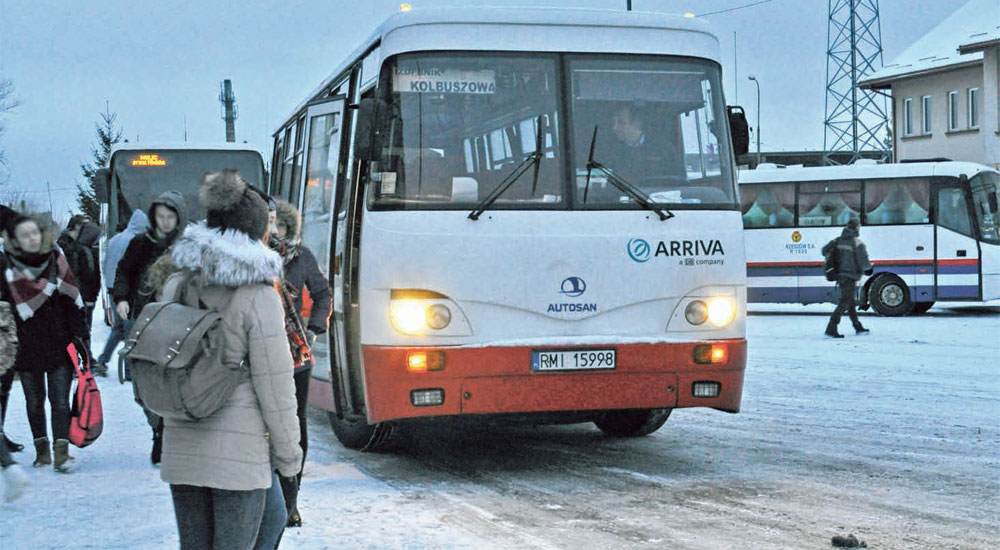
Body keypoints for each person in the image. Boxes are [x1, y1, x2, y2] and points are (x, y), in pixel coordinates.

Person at [157, 170, 301, 550]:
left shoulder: (178, 283)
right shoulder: (258, 295)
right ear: (256, 232)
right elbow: (276, 385)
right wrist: (290, 456)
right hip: (239, 459)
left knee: (258, 523)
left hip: (183, 444)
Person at [0, 213, 89, 472]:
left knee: (59, 400)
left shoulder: (57, 261)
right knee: (34, 402)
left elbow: (73, 302)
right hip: (26, 346)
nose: (31, 238)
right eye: (25, 234)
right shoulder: (7, 268)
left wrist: (79, 337)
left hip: (59, 343)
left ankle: (61, 452)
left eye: (35, 233)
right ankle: (42, 452)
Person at [112, 191, 187, 464]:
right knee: (143, 380)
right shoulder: (140, 244)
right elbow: (123, 272)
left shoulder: (186, 247)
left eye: (170, 217)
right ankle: (157, 428)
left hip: (178, 321)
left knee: (174, 378)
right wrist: (121, 298)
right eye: (161, 216)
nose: (165, 222)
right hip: (143, 317)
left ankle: (171, 433)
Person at [271, 199, 332, 529]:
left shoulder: (302, 257)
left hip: (296, 353)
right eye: (272, 225)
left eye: (282, 226)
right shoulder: (256, 257)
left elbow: (323, 294)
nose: (276, 231)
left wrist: (314, 329)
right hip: (263, 350)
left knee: (296, 424)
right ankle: (272, 498)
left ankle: (291, 500)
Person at [95, 209, 149, 375]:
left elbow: (103, 264)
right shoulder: (135, 241)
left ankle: (102, 361)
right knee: (130, 330)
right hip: (127, 292)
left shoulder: (114, 239)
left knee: (118, 328)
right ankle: (128, 370)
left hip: (112, 289)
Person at [598, 103, 683, 186]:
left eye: (621, 122)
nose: (615, 128)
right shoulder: (609, 151)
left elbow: (679, 180)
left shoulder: (664, 149)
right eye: (614, 123)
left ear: (636, 124)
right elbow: (604, 183)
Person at [823, 217, 873, 338]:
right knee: (845, 303)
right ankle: (831, 328)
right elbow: (864, 262)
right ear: (856, 227)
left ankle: (858, 327)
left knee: (850, 303)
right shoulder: (857, 243)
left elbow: (824, 251)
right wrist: (869, 269)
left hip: (840, 275)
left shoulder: (837, 240)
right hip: (850, 276)